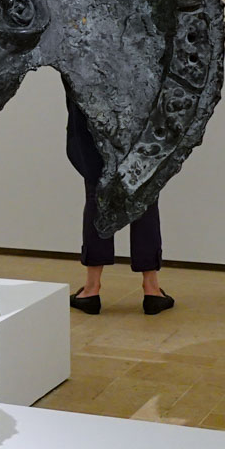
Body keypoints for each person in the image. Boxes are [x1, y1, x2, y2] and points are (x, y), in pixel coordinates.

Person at [65, 92, 172, 316]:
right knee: (144, 196)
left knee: (98, 194)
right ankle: (151, 289)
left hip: (96, 112)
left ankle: (91, 289)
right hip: (139, 112)